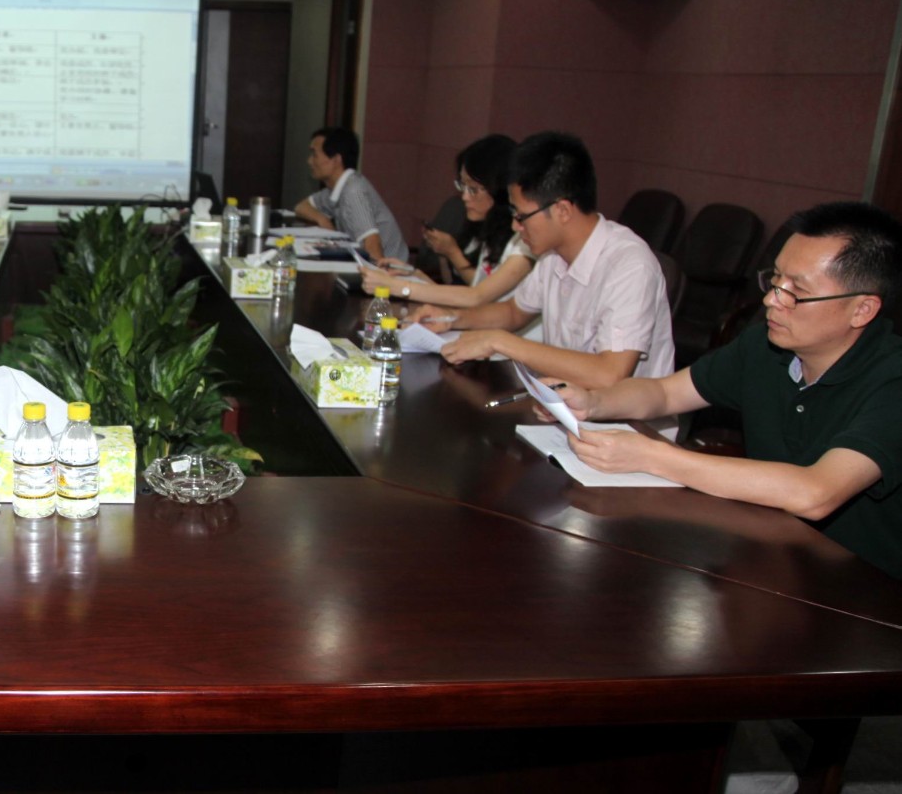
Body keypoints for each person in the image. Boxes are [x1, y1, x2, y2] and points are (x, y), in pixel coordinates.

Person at [549, 202, 902, 578]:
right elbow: (666, 393)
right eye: (775, 279)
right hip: (773, 555)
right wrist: (593, 401)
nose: (771, 299)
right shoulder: (765, 346)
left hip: (863, 586)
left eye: (796, 291)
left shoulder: (892, 381)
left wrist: (652, 456)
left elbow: (815, 493)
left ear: (862, 310)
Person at [410, 131, 673, 388]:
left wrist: (500, 342)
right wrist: (451, 318)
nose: (515, 226)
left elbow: (609, 374)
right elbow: (513, 312)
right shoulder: (553, 255)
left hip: (620, 415)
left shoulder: (629, 266)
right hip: (562, 400)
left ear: (562, 210)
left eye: (521, 216)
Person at [360, 135, 536, 311]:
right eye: (462, 186)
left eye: (473, 189)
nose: (464, 197)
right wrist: (413, 274)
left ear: (498, 190)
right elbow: (465, 296)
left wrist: (397, 286)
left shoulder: (523, 241)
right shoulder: (490, 232)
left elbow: (476, 297)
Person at [292, 126, 408, 263]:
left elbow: (374, 247)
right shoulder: (337, 188)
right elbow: (301, 207)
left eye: (315, 155)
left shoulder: (354, 191)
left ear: (336, 160)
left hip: (391, 269)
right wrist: (322, 220)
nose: (309, 161)